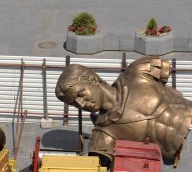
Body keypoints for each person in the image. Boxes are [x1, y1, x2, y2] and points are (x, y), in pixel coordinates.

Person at [55, 57, 192, 163]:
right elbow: (100, 167)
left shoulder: (137, 71)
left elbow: (165, 70)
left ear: (93, 79)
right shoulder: (102, 135)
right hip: (185, 155)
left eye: (80, 94)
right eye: (73, 103)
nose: (80, 104)